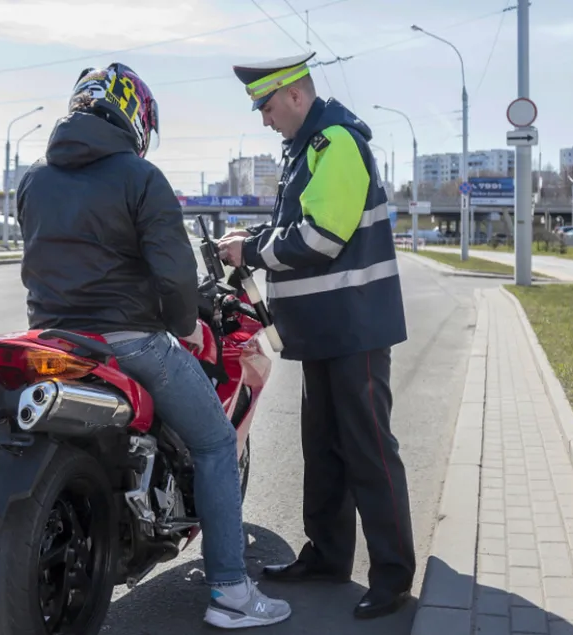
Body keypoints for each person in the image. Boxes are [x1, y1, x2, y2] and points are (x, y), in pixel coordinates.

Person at [15, 62, 293, 630]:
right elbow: (173, 276)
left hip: (52, 339)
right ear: (135, 115)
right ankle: (231, 595)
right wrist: (185, 324)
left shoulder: (33, 179)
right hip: (128, 342)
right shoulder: (140, 178)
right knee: (216, 443)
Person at [216, 52, 415, 620]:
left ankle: (393, 576)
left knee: (370, 452)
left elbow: (322, 236)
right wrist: (250, 236)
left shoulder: (335, 143)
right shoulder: (306, 150)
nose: (264, 119)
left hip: (355, 329)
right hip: (327, 330)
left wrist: (250, 250)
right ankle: (327, 556)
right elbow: (293, 226)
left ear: (296, 97)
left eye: (268, 106)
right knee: (323, 450)